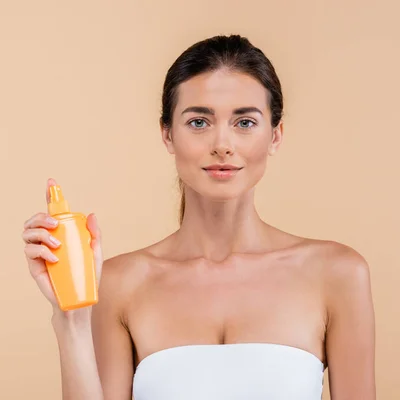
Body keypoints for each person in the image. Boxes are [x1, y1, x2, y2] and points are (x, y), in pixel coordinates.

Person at [21, 35, 376, 399]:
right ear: (168, 135)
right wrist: (73, 320)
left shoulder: (338, 274)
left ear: (275, 135)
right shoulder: (118, 283)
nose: (222, 144)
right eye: (199, 122)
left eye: (245, 122)